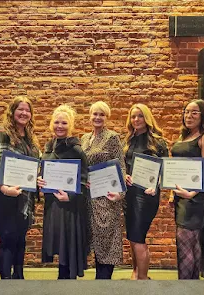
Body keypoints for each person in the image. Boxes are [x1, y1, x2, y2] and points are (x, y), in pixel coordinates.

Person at [0, 96, 40, 279]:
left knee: (20, 239)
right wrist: (4, 188)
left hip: (24, 199)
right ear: (12, 111)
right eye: (20, 109)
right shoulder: (1, 134)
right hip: (5, 198)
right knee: (7, 240)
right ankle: (6, 282)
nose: (24, 113)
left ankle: (19, 277)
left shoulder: (30, 139)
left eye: (27, 110)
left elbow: (34, 166)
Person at [38, 105, 89, 279]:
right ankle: (62, 280)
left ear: (71, 126)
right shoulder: (48, 147)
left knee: (68, 248)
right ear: (52, 124)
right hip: (52, 205)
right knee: (59, 247)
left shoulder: (76, 149)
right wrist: (39, 180)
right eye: (57, 122)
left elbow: (84, 179)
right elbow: (44, 171)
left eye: (64, 123)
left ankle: (67, 283)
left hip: (69, 207)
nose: (60, 126)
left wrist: (71, 196)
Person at [171, 99, 204, 280]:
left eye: (194, 112)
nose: (188, 116)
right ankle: (193, 284)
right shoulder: (185, 136)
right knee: (191, 242)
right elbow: (176, 168)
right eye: (186, 112)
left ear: (203, 115)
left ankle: (184, 286)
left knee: (184, 241)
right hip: (181, 194)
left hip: (196, 196)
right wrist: (172, 192)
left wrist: (191, 193)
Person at [81, 101, 126, 280]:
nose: (97, 117)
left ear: (106, 117)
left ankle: (104, 283)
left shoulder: (112, 137)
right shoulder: (84, 138)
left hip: (106, 197)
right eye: (94, 114)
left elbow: (121, 166)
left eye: (101, 114)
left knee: (107, 243)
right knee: (93, 242)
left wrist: (120, 193)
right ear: (90, 116)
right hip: (87, 198)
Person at [123, 104, 168, 280]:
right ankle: (135, 273)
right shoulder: (128, 140)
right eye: (133, 117)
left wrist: (156, 185)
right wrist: (125, 175)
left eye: (140, 116)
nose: (136, 120)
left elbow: (165, 170)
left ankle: (142, 280)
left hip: (147, 196)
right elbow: (124, 165)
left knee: (138, 237)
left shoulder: (158, 141)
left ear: (147, 118)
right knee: (132, 238)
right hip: (129, 194)